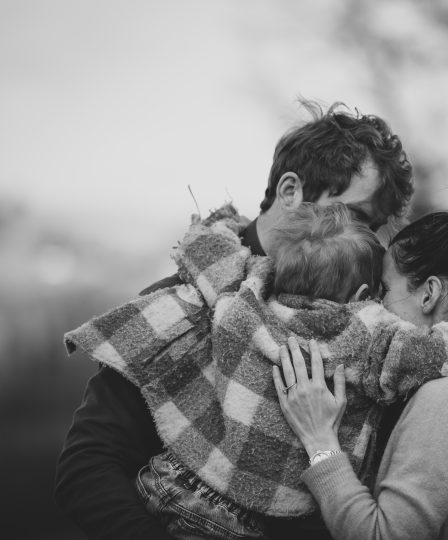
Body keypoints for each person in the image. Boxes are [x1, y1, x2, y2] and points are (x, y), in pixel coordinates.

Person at [54, 101, 414, 540]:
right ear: (290, 191)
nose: (368, 244)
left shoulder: (368, 323)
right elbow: (88, 465)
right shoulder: (181, 302)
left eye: (373, 228)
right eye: (354, 216)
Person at [64, 202, 448, 539]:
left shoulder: (243, 299)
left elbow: (209, 255)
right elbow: (436, 352)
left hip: (165, 481)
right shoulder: (364, 340)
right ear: (365, 293)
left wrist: (222, 220)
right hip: (241, 523)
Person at [274, 194, 448, 539]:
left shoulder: (446, 398)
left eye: (383, 290)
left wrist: (319, 440)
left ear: (429, 294)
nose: (371, 306)